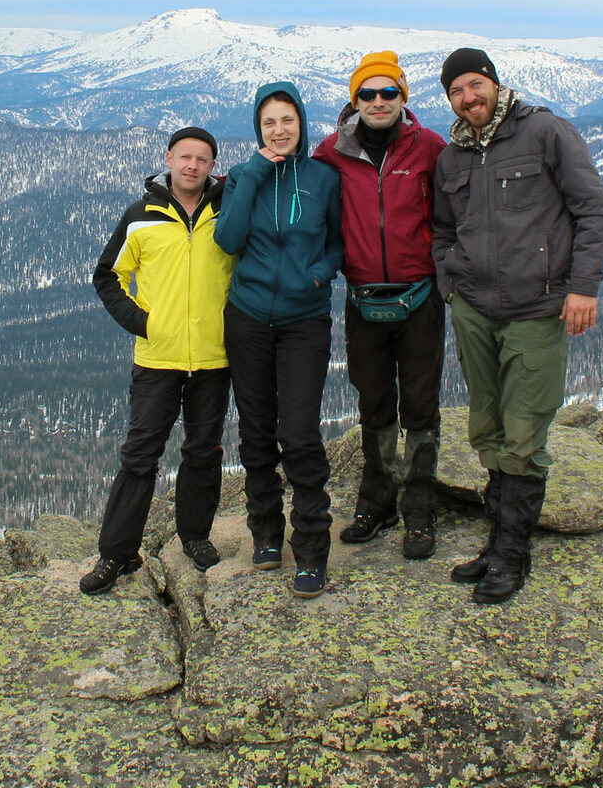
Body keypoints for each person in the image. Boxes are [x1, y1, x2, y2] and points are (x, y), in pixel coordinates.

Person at [431, 48, 603, 605]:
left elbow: (595, 210)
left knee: (525, 430)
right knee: (487, 428)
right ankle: (497, 541)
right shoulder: (451, 159)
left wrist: (583, 287)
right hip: (475, 311)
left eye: (474, 84)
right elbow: (443, 230)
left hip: (537, 310)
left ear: (492, 82)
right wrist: (452, 285)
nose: (469, 97)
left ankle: (513, 551)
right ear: (450, 101)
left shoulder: (544, 133)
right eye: (457, 91)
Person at [83, 126, 236, 596]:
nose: (192, 166)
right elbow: (108, 275)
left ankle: (194, 537)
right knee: (140, 456)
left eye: (202, 159)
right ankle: (116, 553)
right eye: (185, 157)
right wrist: (142, 322)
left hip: (214, 356)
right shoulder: (140, 216)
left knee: (203, 452)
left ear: (213, 166)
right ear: (168, 158)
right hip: (157, 357)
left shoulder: (227, 211)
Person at [312, 51, 448, 559]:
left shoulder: (429, 147)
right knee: (374, 403)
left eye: (388, 92)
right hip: (363, 298)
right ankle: (377, 501)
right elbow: (301, 192)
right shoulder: (332, 154)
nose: (377, 101)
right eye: (367, 93)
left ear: (402, 97)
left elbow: (455, 210)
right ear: (354, 101)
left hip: (420, 299)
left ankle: (418, 507)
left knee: (420, 404)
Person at [215, 82, 344, 599]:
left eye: (287, 120)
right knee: (256, 431)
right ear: (257, 129)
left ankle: (311, 549)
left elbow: (337, 241)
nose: (279, 130)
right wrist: (253, 175)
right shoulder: (245, 176)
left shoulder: (323, 178)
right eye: (269, 122)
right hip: (247, 317)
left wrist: (317, 275)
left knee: (300, 432)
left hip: (303, 319)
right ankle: (266, 534)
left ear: (301, 123)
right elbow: (228, 238)